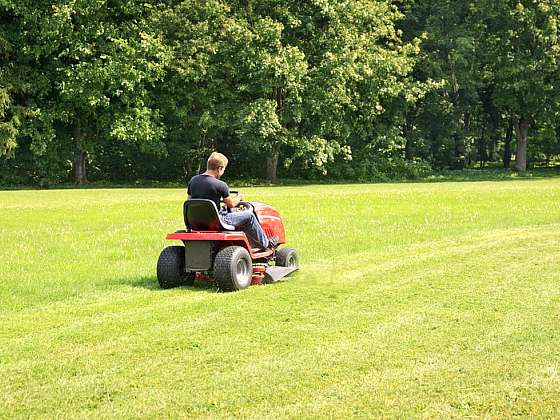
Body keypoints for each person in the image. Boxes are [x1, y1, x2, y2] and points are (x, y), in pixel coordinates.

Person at [187, 152, 278, 251]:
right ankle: (267, 244)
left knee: (223, 209)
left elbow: (190, 201)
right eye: (223, 170)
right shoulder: (220, 185)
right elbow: (231, 204)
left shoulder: (193, 181)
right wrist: (239, 197)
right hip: (216, 222)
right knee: (250, 216)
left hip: (195, 221)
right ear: (219, 169)